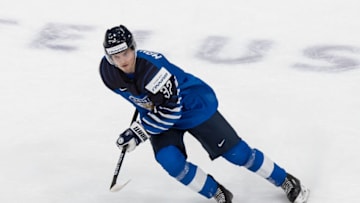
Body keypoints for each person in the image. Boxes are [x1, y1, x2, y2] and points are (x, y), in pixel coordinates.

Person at [99, 24, 310, 203]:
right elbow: (137, 94)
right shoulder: (108, 73)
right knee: (170, 161)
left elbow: (171, 111)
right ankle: (217, 192)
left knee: (237, 154)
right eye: (116, 56)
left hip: (192, 106)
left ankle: (285, 180)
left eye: (126, 53)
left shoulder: (154, 71)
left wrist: (139, 132)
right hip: (157, 114)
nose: (123, 61)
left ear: (134, 48)